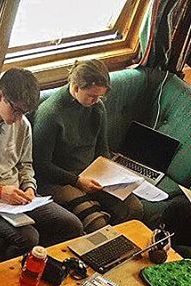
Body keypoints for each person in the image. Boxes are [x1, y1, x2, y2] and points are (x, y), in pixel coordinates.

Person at [0, 68, 84, 259]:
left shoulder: (22, 124)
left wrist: (29, 187)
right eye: (16, 110)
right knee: (28, 237)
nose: (19, 118)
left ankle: (43, 272)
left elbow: (25, 164)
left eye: (24, 112)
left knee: (71, 225)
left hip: (18, 196)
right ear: (0, 96)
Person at [33, 59, 143, 232]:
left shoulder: (97, 108)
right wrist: (77, 181)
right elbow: (40, 165)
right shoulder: (51, 114)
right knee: (97, 223)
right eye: (92, 96)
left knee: (133, 208)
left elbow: (102, 149)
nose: (96, 100)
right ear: (76, 87)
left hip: (92, 175)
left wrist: (112, 176)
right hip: (58, 181)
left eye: (100, 96)